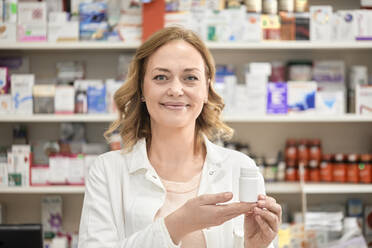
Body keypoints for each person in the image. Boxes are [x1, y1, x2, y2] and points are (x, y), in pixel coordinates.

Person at [78, 26, 281, 248]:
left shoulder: (240, 168)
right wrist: (177, 225)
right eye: (161, 77)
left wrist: (256, 247)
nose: (175, 89)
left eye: (190, 77)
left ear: (206, 88)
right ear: (142, 89)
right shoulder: (108, 172)